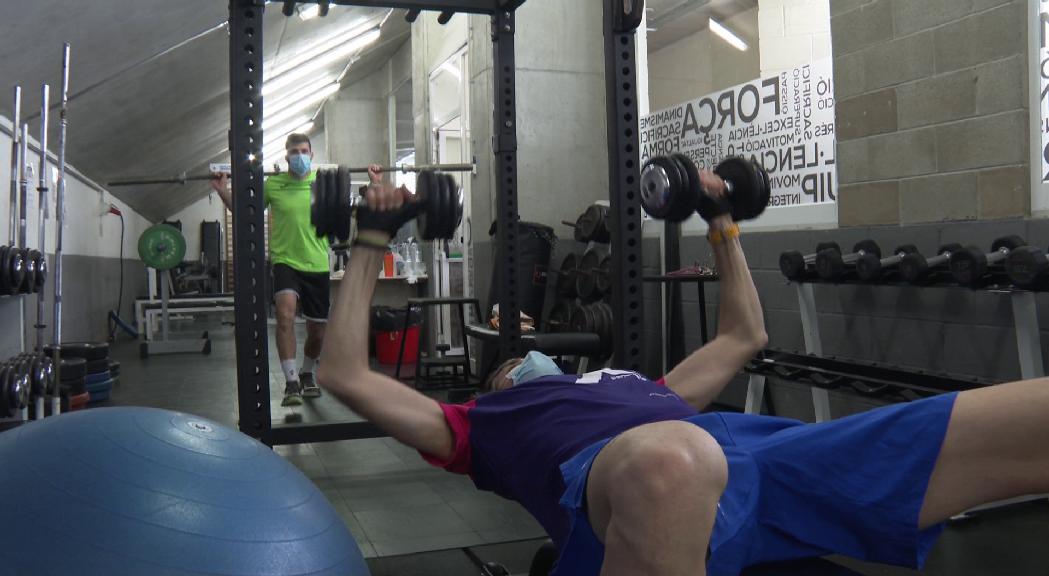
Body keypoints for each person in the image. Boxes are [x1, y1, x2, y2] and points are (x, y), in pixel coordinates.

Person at [317, 170, 1049, 576]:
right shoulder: (474, 426)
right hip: (628, 487)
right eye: (511, 362)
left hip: (752, 460)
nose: (524, 359)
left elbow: (745, 334)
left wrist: (722, 219)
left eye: (529, 354)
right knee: (672, 459)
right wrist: (369, 238)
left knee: (1030, 414)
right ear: (498, 383)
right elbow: (346, 373)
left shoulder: (646, 389)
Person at [212, 134, 365, 406]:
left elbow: (353, 212)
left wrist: (374, 185)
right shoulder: (274, 184)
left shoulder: (323, 185)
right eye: (294, 151)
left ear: (312, 154)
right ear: (286, 157)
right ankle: (291, 381)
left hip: (317, 264)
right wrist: (223, 190)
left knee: (317, 332)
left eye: (304, 150)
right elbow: (247, 213)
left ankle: (307, 374)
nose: (300, 155)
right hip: (285, 261)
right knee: (285, 315)